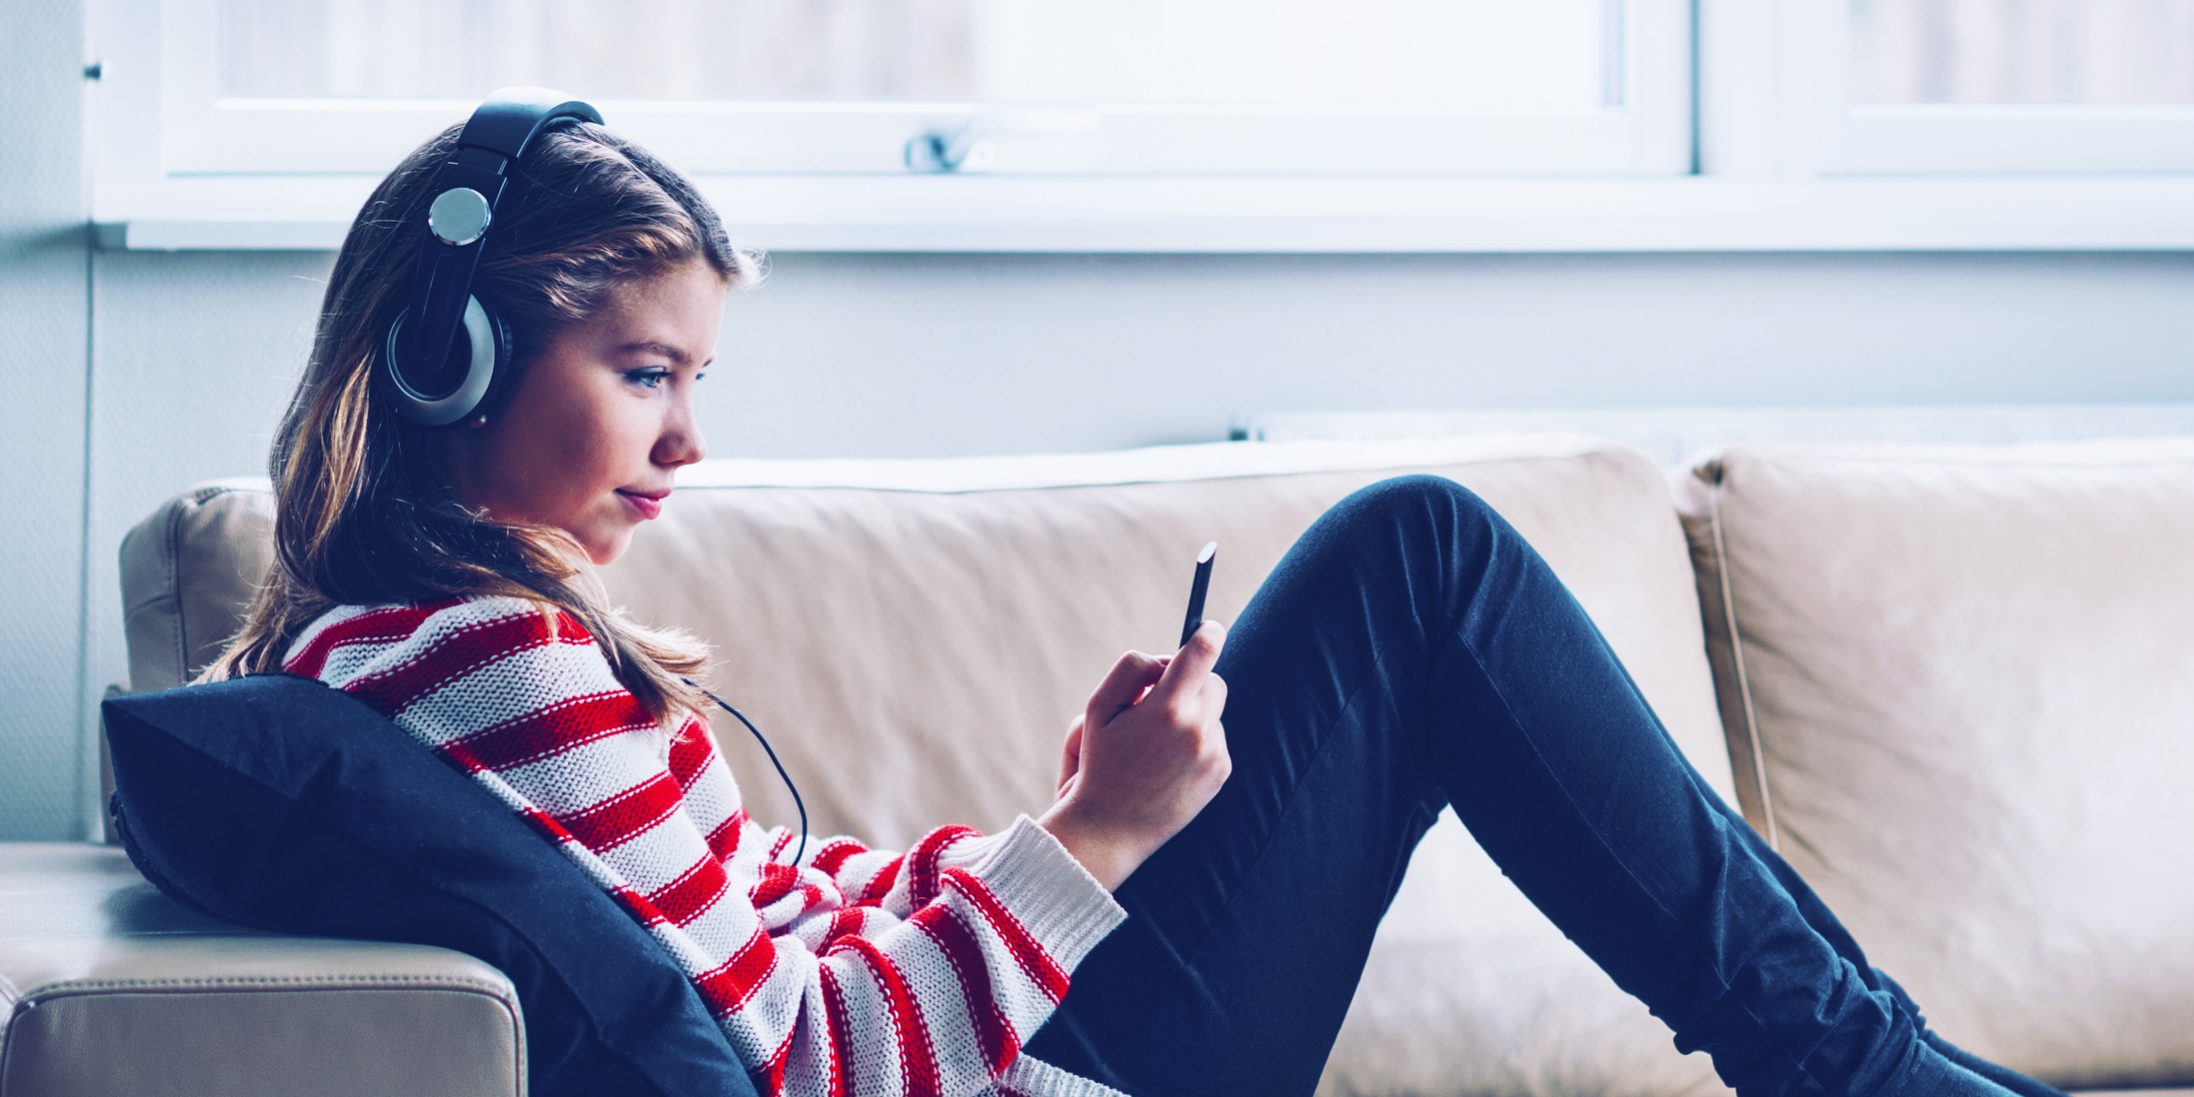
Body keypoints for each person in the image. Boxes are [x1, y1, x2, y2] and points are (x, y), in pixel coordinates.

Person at [199, 109, 2070, 1097]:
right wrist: (1092, 840)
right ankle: (1869, 1073)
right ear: (449, 360)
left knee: (1417, 561)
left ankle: (1878, 1069)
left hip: (1038, 1031)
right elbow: (823, 1062)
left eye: (696, 379)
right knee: (1420, 563)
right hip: (1068, 1077)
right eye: (643, 374)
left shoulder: (371, 638)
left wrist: (1055, 835)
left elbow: (764, 948)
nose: (688, 442)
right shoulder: (502, 663)